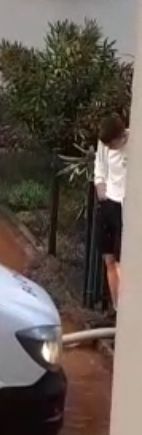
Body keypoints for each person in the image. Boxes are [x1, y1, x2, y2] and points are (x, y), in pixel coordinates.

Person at [94, 115, 128, 317]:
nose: (109, 148)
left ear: (120, 137)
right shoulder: (104, 144)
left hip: (124, 207)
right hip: (108, 202)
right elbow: (100, 167)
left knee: (121, 261)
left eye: (112, 144)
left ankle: (126, 311)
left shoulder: (132, 143)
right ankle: (116, 308)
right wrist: (101, 190)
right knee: (108, 260)